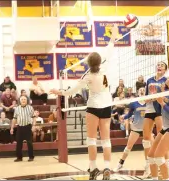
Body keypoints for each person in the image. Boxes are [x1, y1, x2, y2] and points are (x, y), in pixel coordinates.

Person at [50, 24, 118, 180]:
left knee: (91, 139)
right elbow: (111, 45)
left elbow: (70, 92)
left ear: (89, 63)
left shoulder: (87, 76)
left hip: (93, 107)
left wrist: (57, 91)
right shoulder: (105, 67)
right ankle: (107, 167)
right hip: (107, 106)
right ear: (100, 62)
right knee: (106, 140)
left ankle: (93, 169)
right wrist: (113, 33)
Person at [142, 61, 169, 178]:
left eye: (162, 65)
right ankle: (148, 166)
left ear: (165, 70)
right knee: (145, 138)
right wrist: (147, 99)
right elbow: (146, 95)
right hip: (149, 109)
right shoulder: (149, 80)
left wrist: (158, 97)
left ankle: (167, 163)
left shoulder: (166, 80)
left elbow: (168, 96)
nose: (159, 66)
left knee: (161, 137)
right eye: (158, 65)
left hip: (160, 110)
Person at [114, 88, 151, 173]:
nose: (142, 91)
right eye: (140, 90)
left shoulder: (149, 103)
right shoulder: (134, 103)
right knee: (128, 147)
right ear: (137, 92)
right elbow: (130, 114)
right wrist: (124, 117)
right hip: (136, 128)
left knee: (149, 147)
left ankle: (148, 165)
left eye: (143, 90)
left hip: (146, 128)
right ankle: (120, 164)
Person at [10, 96, 36, 162]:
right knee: (18, 142)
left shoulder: (30, 108)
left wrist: (33, 126)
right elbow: (14, 119)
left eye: (25, 99)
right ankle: (19, 157)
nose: (23, 100)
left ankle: (31, 157)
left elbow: (34, 117)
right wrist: (12, 128)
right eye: (22, 99)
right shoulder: (17, 109)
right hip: (20, 127)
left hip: (27, 126)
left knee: (29, 142)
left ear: (27, 100)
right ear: (20, 101)